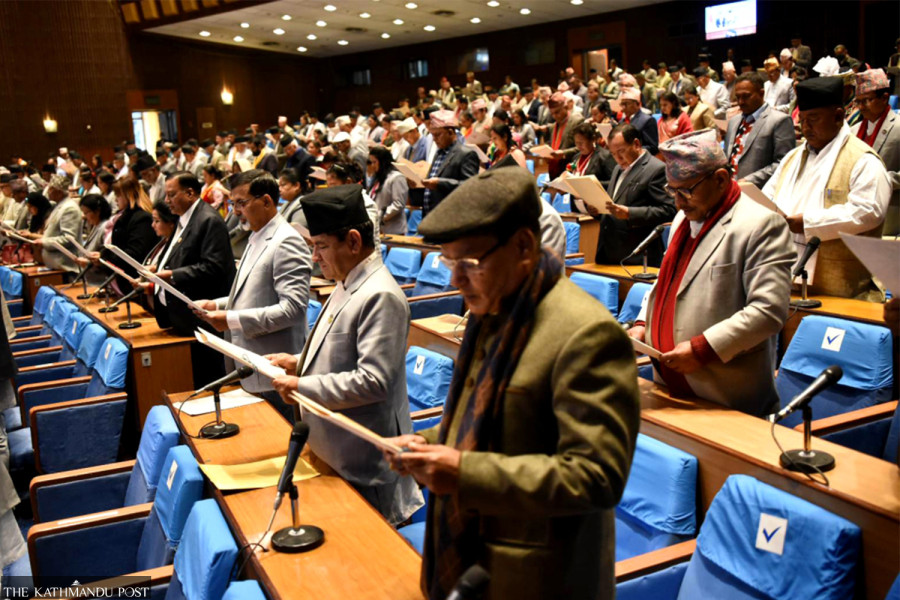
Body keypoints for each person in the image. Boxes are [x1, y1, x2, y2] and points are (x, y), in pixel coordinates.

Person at [384, 167, 640, 600]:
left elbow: (597, 477)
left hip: (538, 580)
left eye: (468, 263)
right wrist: (427, 442)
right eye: (449, 262)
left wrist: (464, 472)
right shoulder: (496, 308)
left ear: (523, 245)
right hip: (468, 559)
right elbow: (484, 424)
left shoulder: (587, 334)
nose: (454, 279)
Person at [268, 185, 423, 526]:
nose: (314, 257)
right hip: (332, 453)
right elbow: (339, 351)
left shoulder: (380, 295)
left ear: (353, 241)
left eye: (321, 246)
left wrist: (301, 385)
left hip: (365, 468)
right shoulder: (346, 281)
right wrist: (298, 361)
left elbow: (373, 382)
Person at [629, 129, 794, 415]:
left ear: (720, 179)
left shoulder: (762, 225)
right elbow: (670, 280)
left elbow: (768, 311)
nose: (678, 202)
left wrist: (703, 349)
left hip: (722, 396)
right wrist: (644, 323)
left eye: (686, 190)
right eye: (672, 190)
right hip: (668, 384)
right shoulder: (685, 214)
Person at [193, 170, 311, 418]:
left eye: (241, 203)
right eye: (232, 203)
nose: (235, 211)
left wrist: (230, 319)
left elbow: (292, 310)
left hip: (274, 372)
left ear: (267, 201)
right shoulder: (256, 236)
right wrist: (215, 305)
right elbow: (252, 293)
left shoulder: (287, 241)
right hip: (252, 365)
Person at [764, 76, 891, 300]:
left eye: (813, 119)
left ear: (838, 116)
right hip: (784, 276)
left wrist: (807, 223)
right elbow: (768, 195)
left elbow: (869, 212)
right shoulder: (793, 157)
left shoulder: (863, 160)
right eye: (802, 119)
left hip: (842, 288)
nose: (805, 127)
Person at [153, 172, 236, 385]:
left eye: (171, 195)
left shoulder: (208, 220)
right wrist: (159, 266)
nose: (166, 200)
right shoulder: (184, 218)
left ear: (190, 193)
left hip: (203, 316)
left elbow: (214, 266)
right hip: (183, 317)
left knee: (210, 378)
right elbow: (177, 253)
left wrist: (171, 275)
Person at [587, 124, 674, 265]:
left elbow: (669, 211)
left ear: (636, 144)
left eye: (621, 151)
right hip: (609, 252)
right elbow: (615, 205)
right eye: (613, 154)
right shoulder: (617, 169)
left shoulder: (656, 169)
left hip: (636, 256)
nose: (617, 158)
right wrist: (598, 212)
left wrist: (629, 213)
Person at [724, 72, 796, 188]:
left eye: (746, 96)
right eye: (738, 97)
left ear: (761, 93)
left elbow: (785, 163)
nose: (741, 102)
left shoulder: (779, 120)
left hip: (760, 191)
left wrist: (749, 180)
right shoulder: (734, 122)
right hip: (730, 190)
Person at [850, 68, 899, 235]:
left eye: (867, 100)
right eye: (858, 102)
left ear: (885, 98)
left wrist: (879, 181)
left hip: (892, 211)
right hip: (855, 211)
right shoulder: (853, 130)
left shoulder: (899, 126)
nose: (861, 107)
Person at [100, 177, 157, 291]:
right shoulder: (127, 216)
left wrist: (106, 256)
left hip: (135, 281)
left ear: (128, 195)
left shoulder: (142, 218)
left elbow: (135, 254)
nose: (116, 200)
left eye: (118, 195)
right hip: (123, 279)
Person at [420, 110, 479, 215]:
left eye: (438, 135)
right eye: (432, 135)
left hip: (451, 217)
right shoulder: (439, 153)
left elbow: (470, 186)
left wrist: (440, 183)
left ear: (451, 132)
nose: (434, 139)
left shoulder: (466, 154)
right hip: (431, 215)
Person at [33, 175, 81, 273]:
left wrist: (44, 242)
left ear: (59, 192)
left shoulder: (69, 208)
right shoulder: (59, 205)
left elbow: (68, 238)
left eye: (50, 189)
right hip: (55, 265)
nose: (48, 192)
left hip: (66, 267)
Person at [366, 146, 408, 234]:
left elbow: (398, 204)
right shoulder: (378, 178)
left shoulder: (397, 177)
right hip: (377, 228)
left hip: (393, 230)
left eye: (374, 162)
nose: (372, 166)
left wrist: (379, 216)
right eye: (371, 162)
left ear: (383, 161)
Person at [74, 193, 113, 285]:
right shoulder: (96, 226)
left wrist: (88, 263)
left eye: (86, 213)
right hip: (92, 280)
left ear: (97, 211)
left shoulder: (106, 227)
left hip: (101, 281)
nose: (84, 217)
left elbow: (106, 257)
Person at [565, 121, 616, 190]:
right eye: (576, 143)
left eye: (581, 142)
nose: (579, 146)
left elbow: (614, 183)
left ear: (593, 139)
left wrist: (590, 184)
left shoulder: (605, 156)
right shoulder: (575, 157)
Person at [545, 92, 584, 179]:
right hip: (554, 172)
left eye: (557, 112)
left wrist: (563, 153)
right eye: (552, 114)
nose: (555, 116)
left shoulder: (577, 121)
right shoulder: (552, 127)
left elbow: (583, 147)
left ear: (566, 107)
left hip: (571, 170)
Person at [619, 87, 659, 155]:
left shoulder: (648, 120)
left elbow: (653, 147)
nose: (623, 108)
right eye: (622, 104)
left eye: (627, 104)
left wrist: (633, 150)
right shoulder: (621, 122)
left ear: (637, 104)